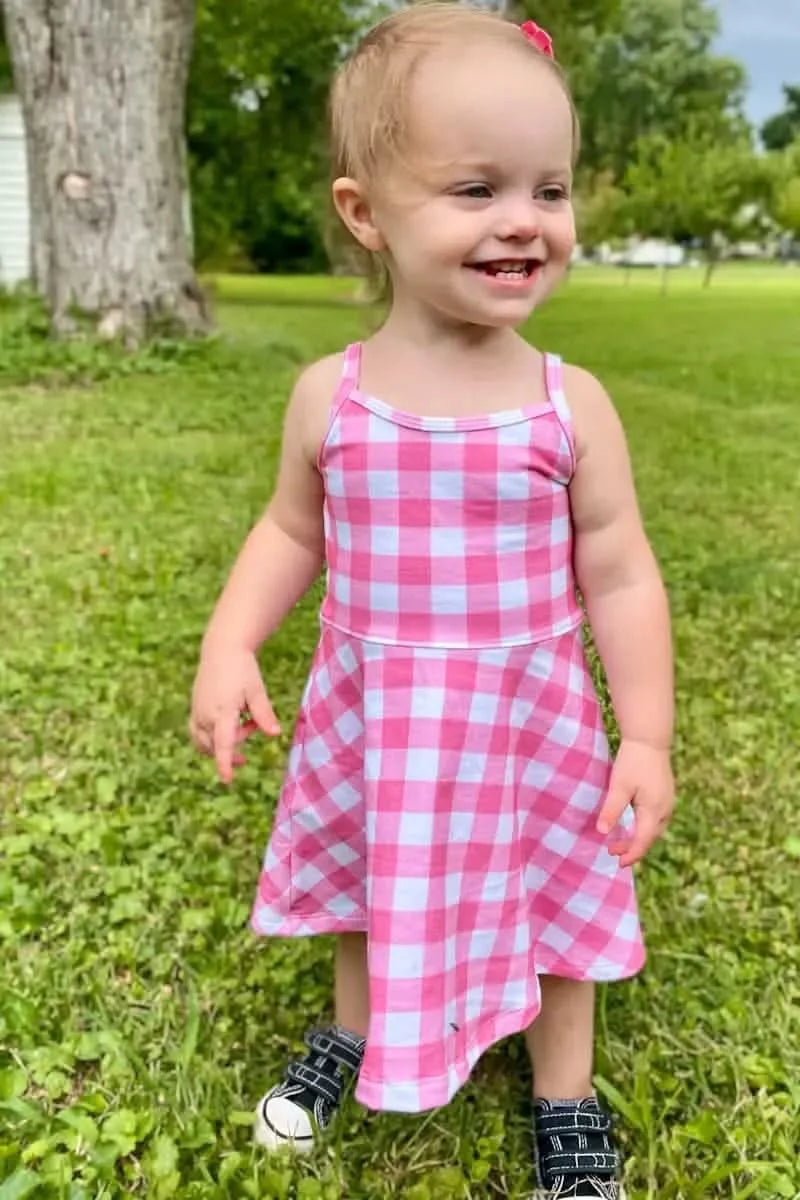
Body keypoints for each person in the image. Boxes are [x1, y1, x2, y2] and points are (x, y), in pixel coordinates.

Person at [189, 5, 675, 1197]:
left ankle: (563, 1095)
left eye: (548, 189)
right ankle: (353, 1031)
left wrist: (647, 736)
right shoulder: (332, 394)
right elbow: (289, 530)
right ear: (366, 214)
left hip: (525, 723)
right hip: (383, 718)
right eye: (475, 188)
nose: (523, 219)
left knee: (554, 898)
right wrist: (230, 642)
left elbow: (618, 569)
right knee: (373, 886)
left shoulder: (566, 404)